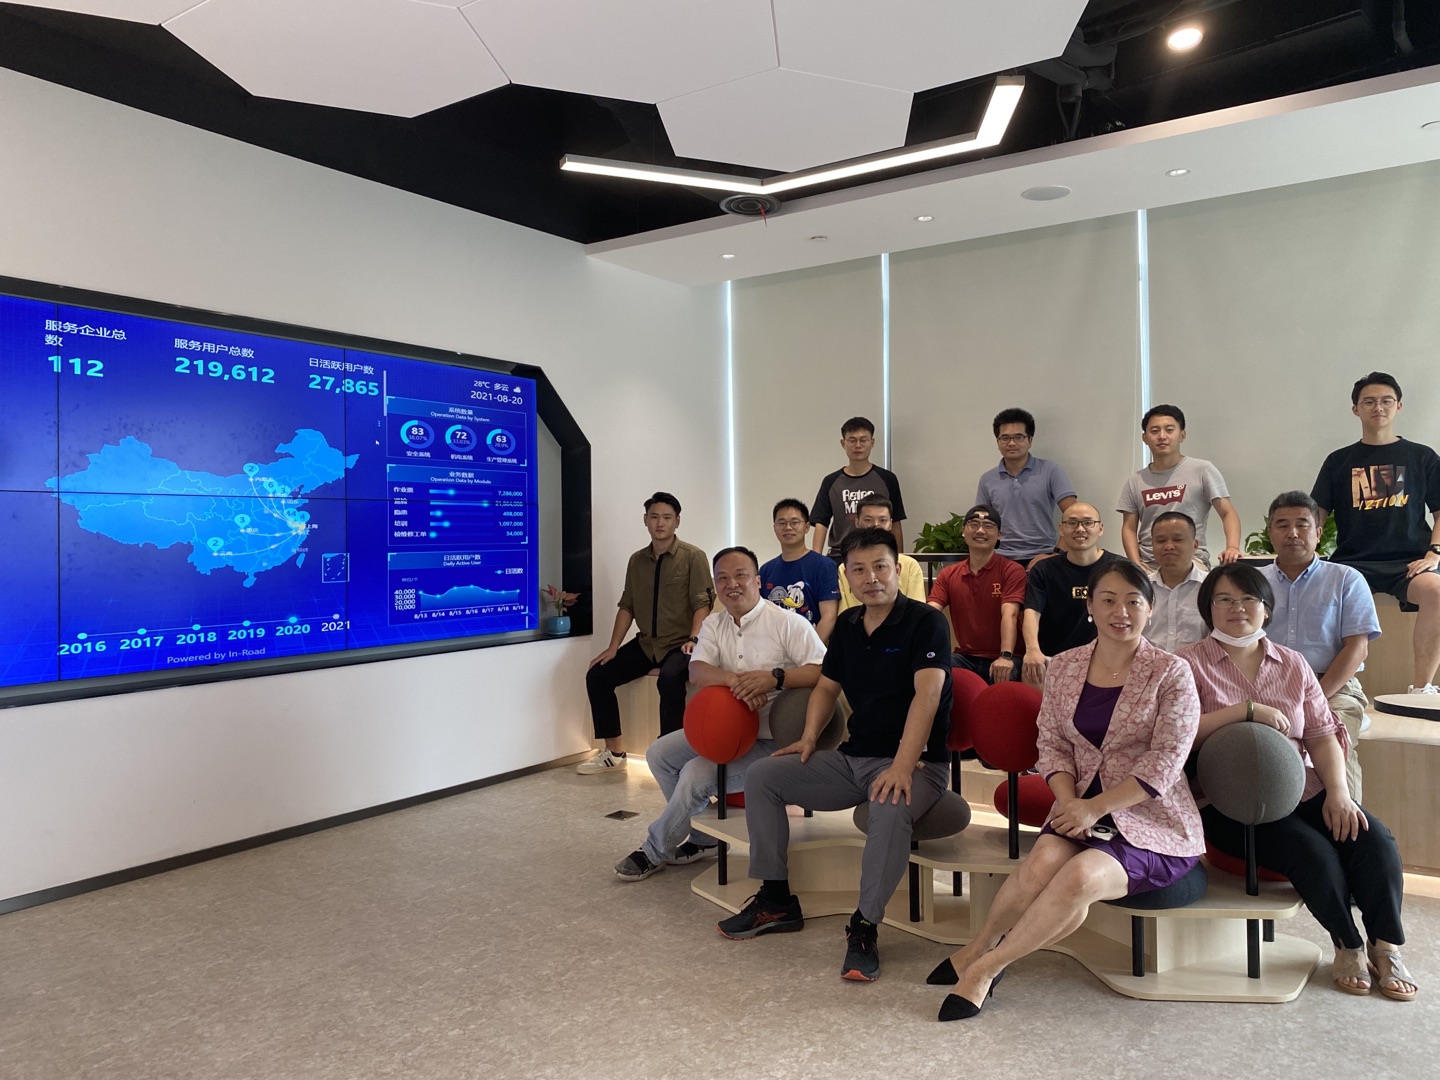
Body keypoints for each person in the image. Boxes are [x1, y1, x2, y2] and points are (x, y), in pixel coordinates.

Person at [929, 561, 1204, 1020]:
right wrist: (1071, 802)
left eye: (1133, 601)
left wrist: (1094, 808)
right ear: (1090, 606)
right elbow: (1052, 743)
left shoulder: (1171, 672)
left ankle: (986, 969)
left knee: (1078, 877)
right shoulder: (1065, 666)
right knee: (1039, 864)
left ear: (1150, 609)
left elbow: (1166, 762)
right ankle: (976, 946)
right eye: (1108, 600)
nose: (1121, 612)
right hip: (1076, 807)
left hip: (1150, 821)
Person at [716, 528, 952, 984]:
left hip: (918, 763)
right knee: (764, 776)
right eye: (859, 570)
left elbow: (927, 696)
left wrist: (902, 766)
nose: (871, 578)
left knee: (888, 806)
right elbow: (826, 687)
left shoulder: (927, 623)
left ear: (898, 568)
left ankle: (864, 926)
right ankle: (776, 899)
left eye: (880, 567)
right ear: (847, 577)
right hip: (854, 759)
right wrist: (809, 738)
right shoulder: (846, 624)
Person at [1178, 563, 1416, 1001]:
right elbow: (1178, 735)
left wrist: (1339, 793)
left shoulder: (1292, 662)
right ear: (1208, 609)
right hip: (1229, 802)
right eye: (1224, 599)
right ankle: (1347, 944)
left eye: (1248, 599)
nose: (1237, 608)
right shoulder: (1185, 664)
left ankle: (1386, 947)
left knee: (1373, 838)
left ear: (1266, 609)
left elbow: (1322, 735)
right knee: (1312, 852)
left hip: (1303, 786)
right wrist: (1245, 711)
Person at [614, 547, 825, 881]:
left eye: (741, 575)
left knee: (694, 775)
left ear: (758, 581)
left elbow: (823, 671)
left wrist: (774, 678)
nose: (732, 584)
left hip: (773, 740)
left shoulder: (788, 623)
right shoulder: (714, 624)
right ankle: (704, 838)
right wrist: (736, 682)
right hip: (724, 730)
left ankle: (655, 849)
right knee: (659, 754)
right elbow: (696, 669)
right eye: (722, 578)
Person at [1311, 371, 1440, 695]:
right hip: (1353, 562)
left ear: (1399, 406)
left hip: (1409, 562)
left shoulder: (1422, 456)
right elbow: (1316, 513)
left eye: (1386, 401)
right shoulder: (1339, 461)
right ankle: (1332, 690)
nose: (1378, 407)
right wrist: (1309, 551)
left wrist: (1434, 553)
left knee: (1437, 592)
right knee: (1314, 595)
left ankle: (1422, 688)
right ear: (1356, 409)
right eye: (1369, 401)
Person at [582, 492, 713, 774]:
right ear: (645, 520)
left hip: (681, 644)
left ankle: (669, 757)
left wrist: (694, 639)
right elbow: (627, 605)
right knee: (598, 675)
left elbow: (702, 604)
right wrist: (613, 647)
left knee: (669, 680)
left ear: (677, 521)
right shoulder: (637, 560)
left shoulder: (693, 557)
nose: (660, 523)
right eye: (654, 517)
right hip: (646, 644)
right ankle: (614, 752)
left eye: (666, 517)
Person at [1261, 491, 1380, 802]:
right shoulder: (1251, 583)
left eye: (1302, 524)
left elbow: (1357, 649)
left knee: (1333, 744)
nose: (1292, 533)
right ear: (1270, 533)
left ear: (1317, 532)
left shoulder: (1347, 579)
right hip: (1264, 686)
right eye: (1282, 525)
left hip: (1333, 686)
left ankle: (1350, 821)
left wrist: (1313, 697)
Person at [1117, 404, 1242, 569]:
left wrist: (1232, 547)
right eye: (1154, 431)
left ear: (1182, 435)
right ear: (1145, 438)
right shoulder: (1135, 481)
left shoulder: (1203, 470)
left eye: (1169, 430)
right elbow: (1129, 528)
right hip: (1148, 564)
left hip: (1192, 561)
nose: (1162, 436)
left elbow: (1227, 512)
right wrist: (1136, 565)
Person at [1020, 502, 1123, 688]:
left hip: (1107, 660)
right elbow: (1032, 612)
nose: (1080, 529)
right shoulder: (1043, 570)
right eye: (1072, 523)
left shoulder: (1121, 568)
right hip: (1053, 658)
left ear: (1100, 528)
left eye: (1088, 523)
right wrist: (1032, 650)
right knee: (1031, 672)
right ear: (1061, 529)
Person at [926, 504, 1027, 682]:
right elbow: (930, 613)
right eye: (973, 525)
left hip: (1006, 657)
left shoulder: (1012, 571)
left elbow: (1010, 615)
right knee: (931, 670)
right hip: (965, 657)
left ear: (999, 534)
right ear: (963, 531)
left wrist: (1005, 656)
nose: (980, 530)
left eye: (988, 526)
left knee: (1005, 676)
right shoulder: (948, 574)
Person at [974, 407, 1077, 565]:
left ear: (1030, 440)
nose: (1011, 443)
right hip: (1001, 557)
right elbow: (980, 523)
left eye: (1018, 437)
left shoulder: (1051, 471)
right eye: (1005, 438)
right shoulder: (987, 479)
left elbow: (1074, 516)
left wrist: (1056, 554)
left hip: (1044, 555)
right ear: (998, 443)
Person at [810, 417, 906, 556]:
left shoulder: (887, 479)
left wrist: (899, 557)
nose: (858, 445)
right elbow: (821, 522)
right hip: (841, 554)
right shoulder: (831, 481)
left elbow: (895, 521)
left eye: (863, 440)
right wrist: (816, 559)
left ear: (872, 442)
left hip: (879, 552)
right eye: (852, 440)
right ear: (843, 443)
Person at [759, 498, 840, 645]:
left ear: (807, 527)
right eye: (781, 523)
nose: (788, 527)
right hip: (774, 648)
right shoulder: (765, 570)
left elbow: (829, 617)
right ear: (775, 528)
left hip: (812, 649)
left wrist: (809, 652)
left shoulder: (824, 566)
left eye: (795, 522)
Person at [835, 496, 926, 610]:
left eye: (883, 520)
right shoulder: (846, 566)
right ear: (857, 522)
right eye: (868, 520)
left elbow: (917, 610)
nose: (876, 525)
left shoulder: (910, 564)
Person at [1144, 511, 1208, 654]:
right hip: (1149, 665)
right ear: (1152, 545)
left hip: (1198, 665)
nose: (1169, 546)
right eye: (1161, 540)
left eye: (1177, 539)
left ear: (1195, 545)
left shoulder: (1211, 587)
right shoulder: (1140, 588)